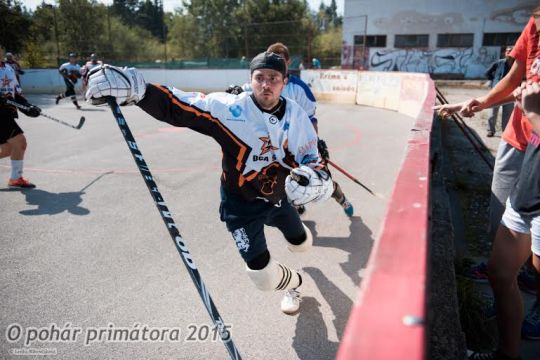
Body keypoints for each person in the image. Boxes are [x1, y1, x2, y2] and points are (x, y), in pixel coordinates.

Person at [85, 52, 335, 315]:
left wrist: (316, 177)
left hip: (278, 196)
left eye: (273, 78)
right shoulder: (229, 108)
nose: (265, 84)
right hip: (240, 204)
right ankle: (294, 283)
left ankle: (296, 241)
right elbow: (181, 105)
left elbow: (312, 158)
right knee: (263, 278)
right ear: (250, 80)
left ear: (285, 81)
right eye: (259, 77)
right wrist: (140, 91)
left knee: (302, 244)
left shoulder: (296, 116)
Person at [436, 9, 540, 359]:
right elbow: (516, 81)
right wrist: (481, 103)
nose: (536, 30)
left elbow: (529, 101)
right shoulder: (534, 28)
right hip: (530, 166)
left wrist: (533, 113)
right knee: (499, 271)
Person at [235, 42, 354, 217]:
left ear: (288, 62)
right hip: (272, 147)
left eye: (280, 60)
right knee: (281, 183)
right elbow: (241, 94)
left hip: (297, 145)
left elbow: (311, 119)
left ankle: (339, 196)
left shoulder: (298, 88)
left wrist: (316, 142)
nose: (275, 64)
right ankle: (295, 207)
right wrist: (234, 92)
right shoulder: (261, 83)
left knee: (319, 182)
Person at [0, 47, 41, 188]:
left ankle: (15, 178)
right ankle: (15, 179)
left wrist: (28, 107)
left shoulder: (8, 69)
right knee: (20, 143)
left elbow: (16, 94)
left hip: (7, 113)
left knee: (8, 150)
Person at [484, 47, 515, 137]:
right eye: (508, 51)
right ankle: (490, 130)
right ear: (505, 53)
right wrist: (493, 81)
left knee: (508, 114)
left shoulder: (516, 64)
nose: (509, 53)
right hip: (497, 91)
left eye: (511, 51)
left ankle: (505, 132)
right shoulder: (499, 63)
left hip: (510, 92)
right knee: (493, 112)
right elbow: (487, 72)